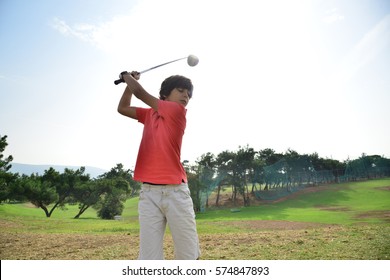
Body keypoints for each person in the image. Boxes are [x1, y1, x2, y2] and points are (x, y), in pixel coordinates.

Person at [117, 71, 200, 260]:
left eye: (189, 94)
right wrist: (128, 84)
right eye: (181, 91)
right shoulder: (149, 114)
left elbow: (139, 93)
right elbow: (123, 107)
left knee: (188, 256)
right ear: (165, 94)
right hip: (149, 193)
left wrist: (126, 76)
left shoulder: (177, 112)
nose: (186, 96)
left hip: (176, 193)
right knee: (148, 259)